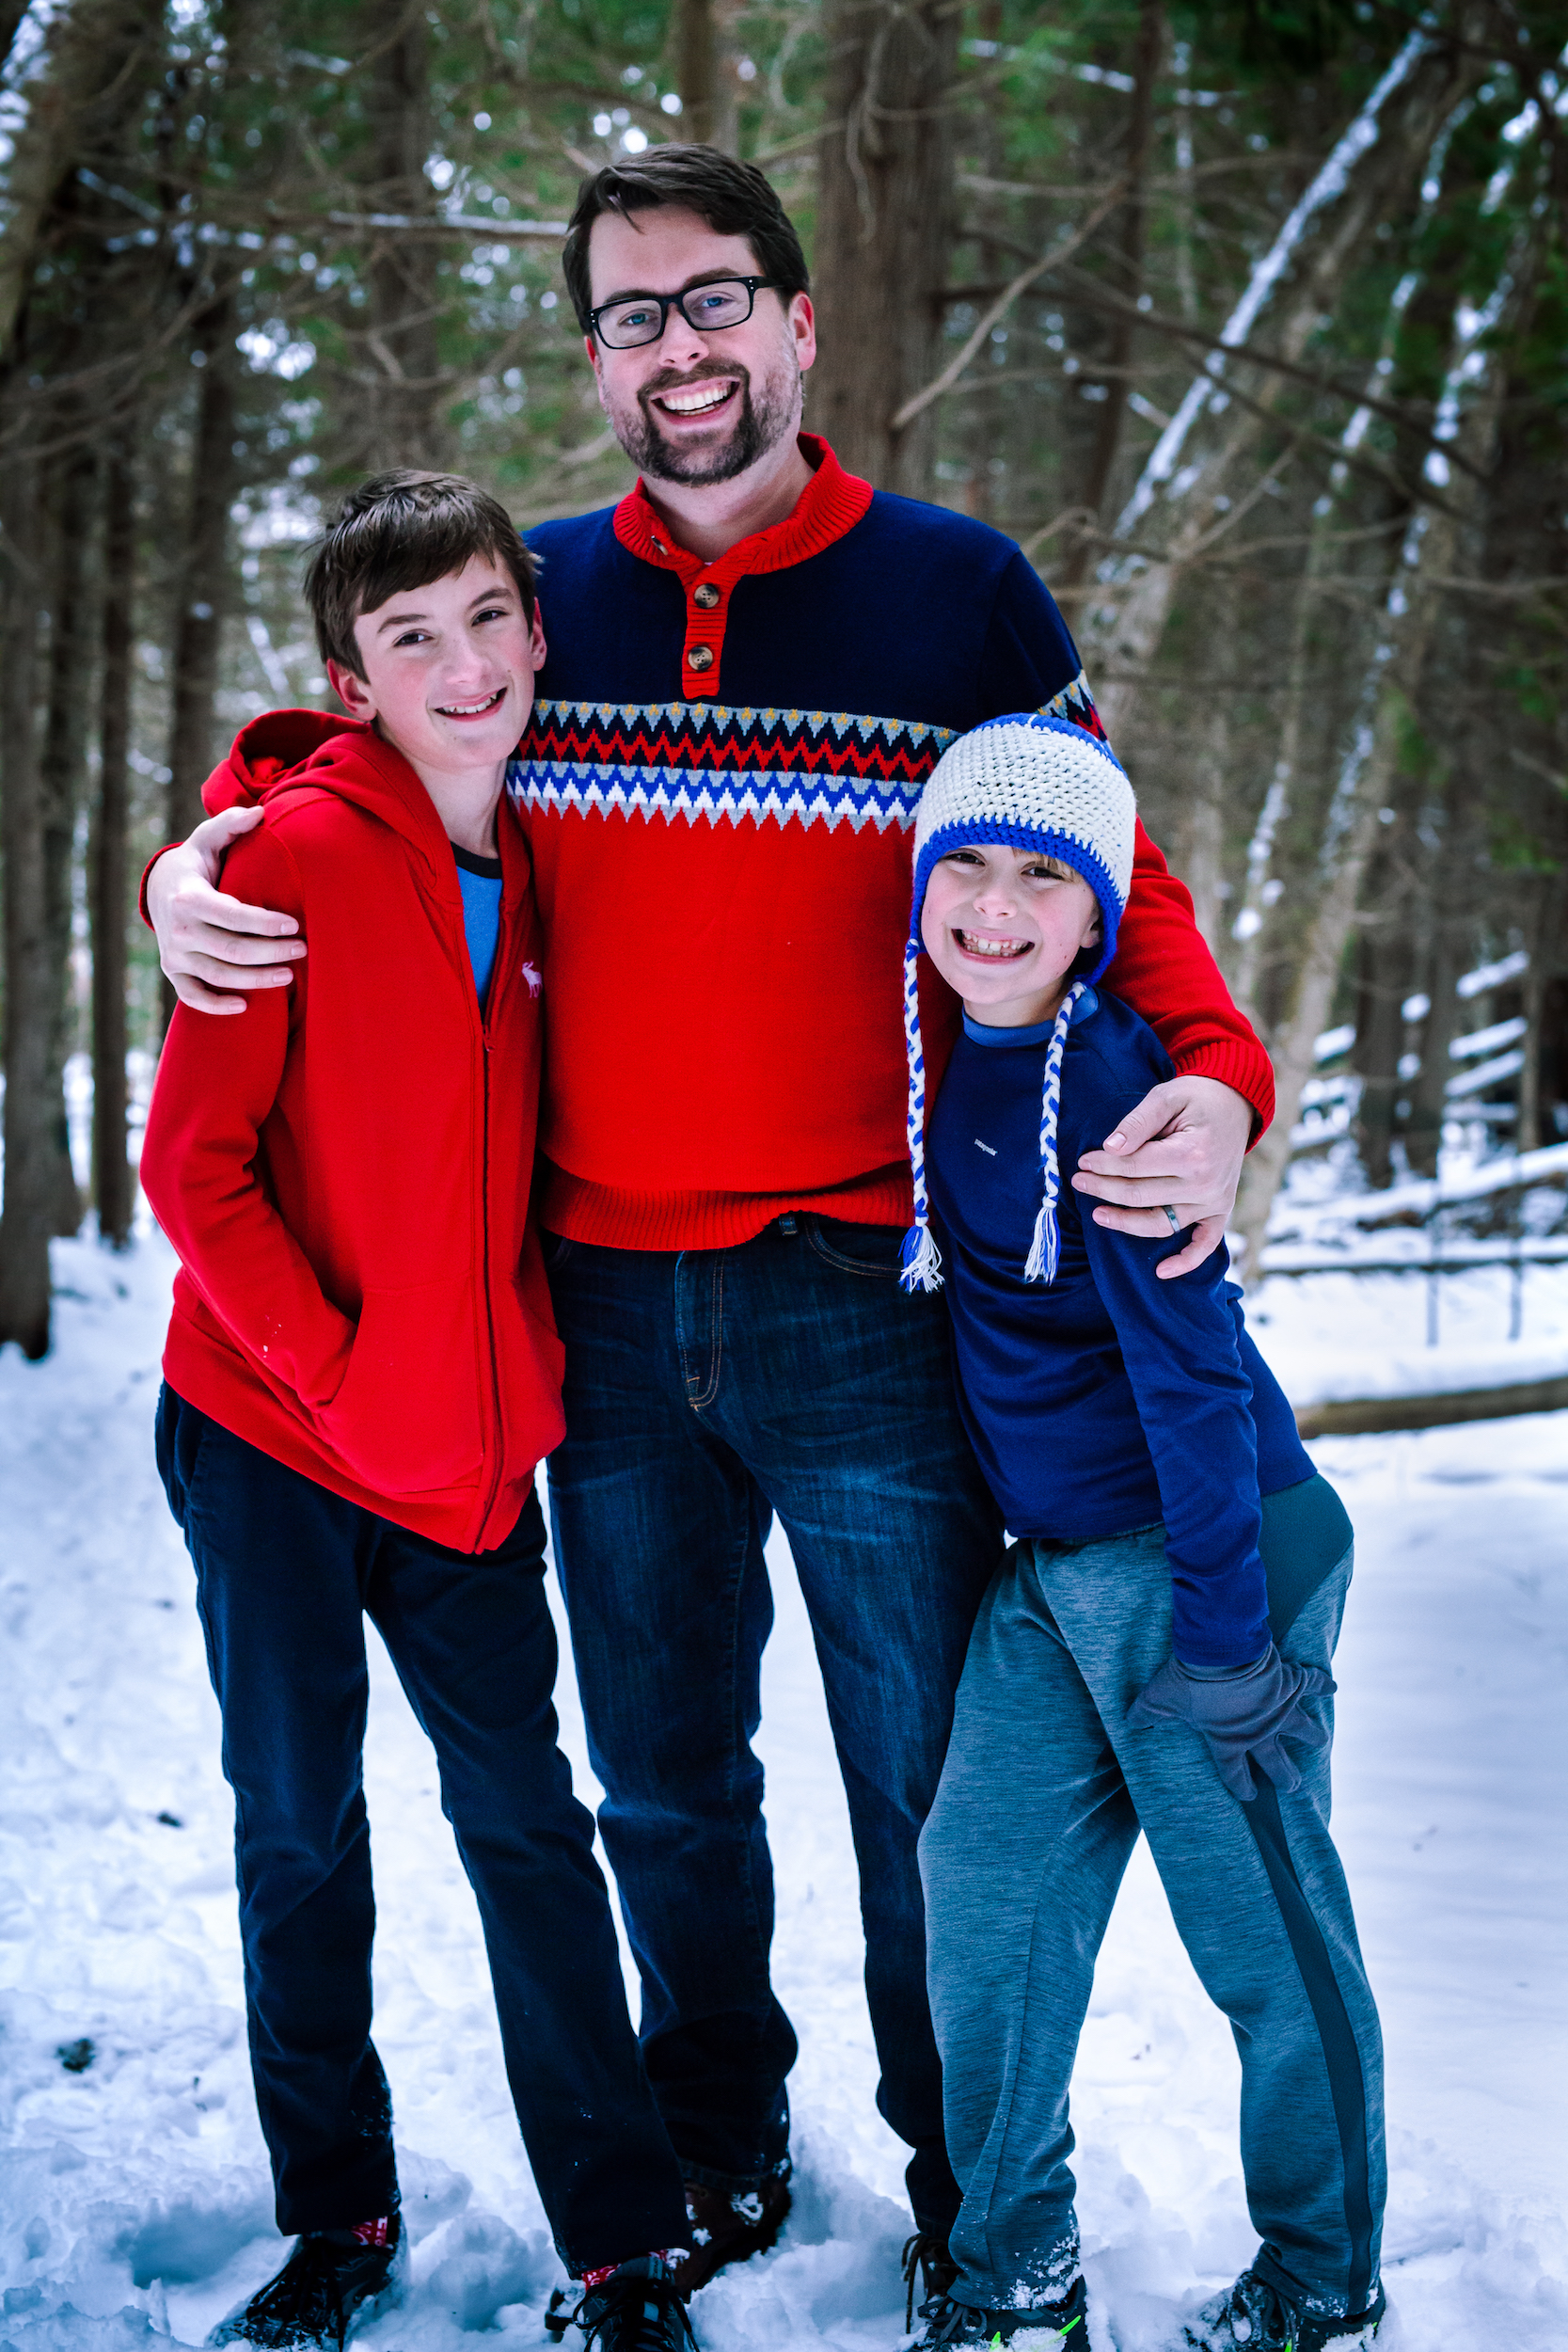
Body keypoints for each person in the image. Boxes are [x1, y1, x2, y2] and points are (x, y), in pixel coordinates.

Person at [143, 148, 1278, 2297]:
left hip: (861, 1286)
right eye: (633, 316)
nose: (680, 349)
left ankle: (977, 2194)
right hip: (591, 1292)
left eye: (714, 300)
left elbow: (1113, 876)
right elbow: (364, 754)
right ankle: (716, 2140)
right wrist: (193, 856)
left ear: (797, 322)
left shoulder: (958, 595)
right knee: (665, 1779)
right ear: (596, 355)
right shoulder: (540, 598)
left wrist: (1219, 1078)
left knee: (919, 1791)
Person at [139, 473, 699, 2352]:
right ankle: (337, 2215)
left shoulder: (542, 854)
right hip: (277, 1441)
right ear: (351, 676)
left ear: (539, 630)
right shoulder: (286, 859)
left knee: (530, 1826)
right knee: (298, 1826)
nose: (461, 667)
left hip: (467, 1460)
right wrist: (334, 1374)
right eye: (408, 639)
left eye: (485, 620)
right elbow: (191, 1168)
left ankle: (621, 2241)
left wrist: (442, 1398)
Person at [900, 714, 1386, 2352]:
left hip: (1209, 1550)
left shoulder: (1115, 1088)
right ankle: (1015, 2266)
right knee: (981, 1888)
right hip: (1056, 1573)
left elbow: (1189, 1376)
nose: (993, 905)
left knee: (1263, 1944)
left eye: (1043, 875)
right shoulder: (935, 1045)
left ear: (1101, 910)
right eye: (961, 863)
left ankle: (1324, 2281)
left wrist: (1233, 1642)